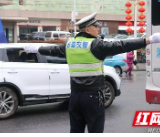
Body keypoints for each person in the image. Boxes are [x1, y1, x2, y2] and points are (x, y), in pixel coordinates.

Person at [24, 12, 160, 133]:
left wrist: (38, 49)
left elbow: (53, 50)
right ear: (87, 29)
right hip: (93, 96)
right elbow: (121, 45)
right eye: (96, 26)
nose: (98, 29)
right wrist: (147, 40)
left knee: (76, 129)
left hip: (75, 97)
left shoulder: (69, 44)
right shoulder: (96, 45)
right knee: (95, 128)